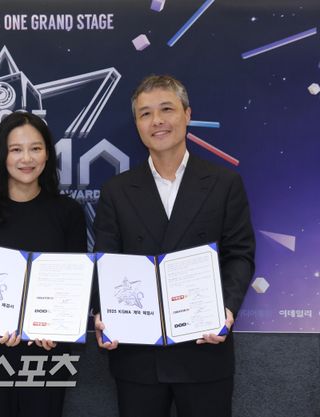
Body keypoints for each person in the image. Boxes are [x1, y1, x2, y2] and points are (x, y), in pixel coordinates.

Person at [93, 75, 255, 417]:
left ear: (187, 114)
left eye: (166, 109)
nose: (157, 121)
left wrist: (226, 310)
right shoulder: (116, 191)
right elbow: (105, 264)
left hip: (204, 348)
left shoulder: (224, 183)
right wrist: (101, 314)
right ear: (137, 124)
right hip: (137, 355)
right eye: (145, 113)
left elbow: (239, 254)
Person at [0, 111, 87, 417]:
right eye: (16, 149)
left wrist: (55, 327)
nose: (27, 158)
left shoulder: (68, 212)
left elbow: (74, 286)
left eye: (35, 148)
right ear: (2, 155)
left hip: (48, 347)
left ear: (47, 154)